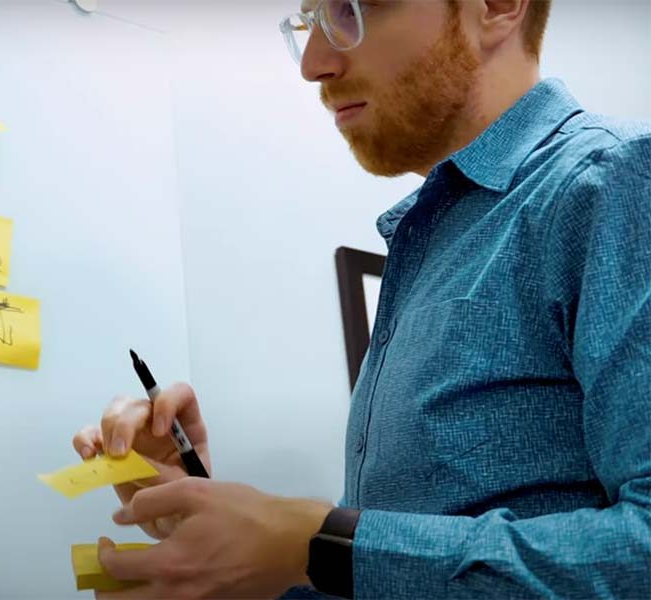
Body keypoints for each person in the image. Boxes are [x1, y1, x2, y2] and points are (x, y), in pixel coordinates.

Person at [72, 1, 651, 597]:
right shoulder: (428, 241)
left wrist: (319, 544)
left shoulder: (620, 178)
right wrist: (226, 531)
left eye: (349, 9)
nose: (315, 64)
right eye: (309, 23)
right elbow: (374, 574)